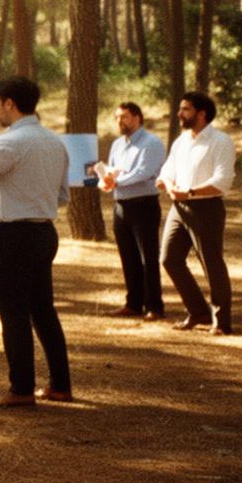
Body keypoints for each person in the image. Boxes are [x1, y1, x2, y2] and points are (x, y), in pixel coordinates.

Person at [0, 76, 72, 408]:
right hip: (44, 233)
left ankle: (20, 389)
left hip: (15, 236)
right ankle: (60, 384)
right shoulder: (54, 141)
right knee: (43, 310)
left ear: (9, 104)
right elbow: (61, 196)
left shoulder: (9, 142)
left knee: (14, 313)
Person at [157, 91, 238, 335]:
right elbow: (167, 171)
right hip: (178, 208)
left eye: (186, 109)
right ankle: (198, 312)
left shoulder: (221, 141)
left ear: (201, 114)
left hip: (207, 208)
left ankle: (222, 321)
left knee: (211, 263)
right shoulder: (181, 141)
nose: (180, 114)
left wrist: (190, 193)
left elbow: (223, 181)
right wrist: (169, 185)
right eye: (180, 109)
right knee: (169, 259)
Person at [96, 101, 167, 320]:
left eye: (124, 117)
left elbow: (143, 173)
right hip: (121, 205)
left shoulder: (151, 143)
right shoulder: (118, 144)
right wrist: (105, 179)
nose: (120, 121)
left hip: (144, 204)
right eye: (117, 117)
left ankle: (154, 306)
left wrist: (116, 182)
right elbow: (112, 171)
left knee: (148, 257)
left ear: (137, 118)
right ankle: (133, 303)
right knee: (128, 257)